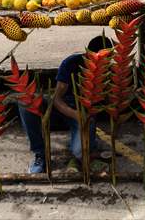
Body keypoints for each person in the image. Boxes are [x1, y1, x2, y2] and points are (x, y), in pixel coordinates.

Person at [19, 35, 113, 174]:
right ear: (88, 54)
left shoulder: (107, 69)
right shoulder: (71, 63)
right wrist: (75, 114)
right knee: (24, 104)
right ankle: (40, 154)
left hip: (85, 114)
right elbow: (57, 99)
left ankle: (87, 146)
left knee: (79, 152)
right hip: (61, 109)